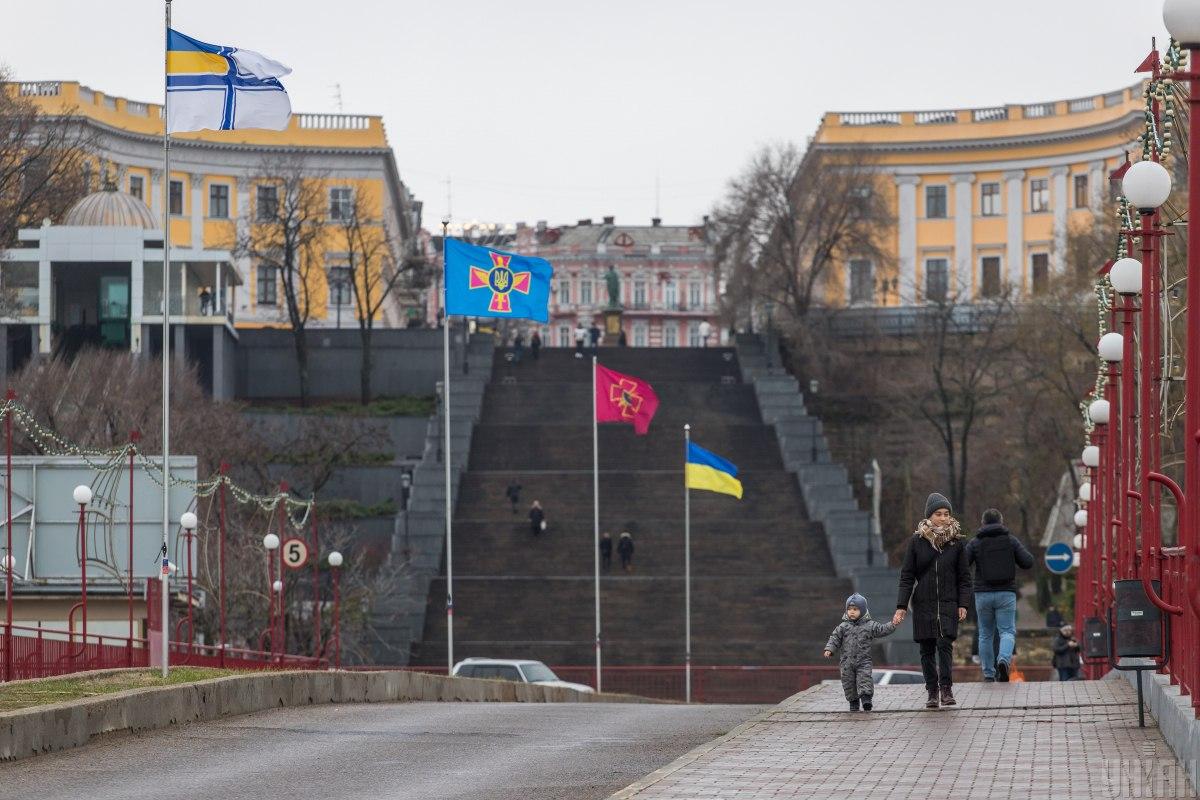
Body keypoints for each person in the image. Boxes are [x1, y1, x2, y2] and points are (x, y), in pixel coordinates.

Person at [894, 492, 971, 709]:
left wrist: (963, 604)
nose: (944, 518)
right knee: (926, 648)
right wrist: (901, 606)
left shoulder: (956, 543)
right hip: (924, 603)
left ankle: (946, 690)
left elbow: (965, 578)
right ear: (929, 516)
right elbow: (907, 576)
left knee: (945, 644)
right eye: (939, 514)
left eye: (947, 514)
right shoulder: (917, 542)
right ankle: (932, 691)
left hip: (948, 602)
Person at [965, 508, 1034, 682]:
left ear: (983, 523)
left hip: (982, 595)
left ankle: (988, 674)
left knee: (985, 634)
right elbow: (1028, 562)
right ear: (1001, 522)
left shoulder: (975, 543)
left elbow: (962, 564)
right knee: (1007, 632)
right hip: (1006, 593)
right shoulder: (1011, 541)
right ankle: (1003, 659)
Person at [823, 593, 897, 711]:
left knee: (864, 679)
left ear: (862, 610)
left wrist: (893, 624)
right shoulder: (843, 626)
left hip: (864, 661)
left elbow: (881, 629)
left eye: (855, 609)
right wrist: (829, 649)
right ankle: (853, 702)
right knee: (848, 682)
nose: (851, 612)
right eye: (849, 609)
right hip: (846, 662)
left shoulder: (869, 625)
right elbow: (834, 638)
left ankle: (866, 699)